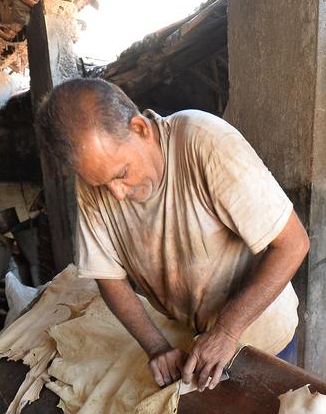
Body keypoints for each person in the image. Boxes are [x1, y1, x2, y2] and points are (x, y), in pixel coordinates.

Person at [36, 78, 309, 391]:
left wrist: (227, 332)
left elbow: (292, 243)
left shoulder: (204, 142)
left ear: (140, 128)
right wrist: (156, 347)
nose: (117, 194)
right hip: (196, 337)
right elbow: (108, 275)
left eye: (122, 174)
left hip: (262, 336)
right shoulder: (96, 179)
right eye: (102, 184)